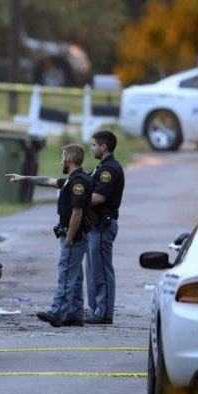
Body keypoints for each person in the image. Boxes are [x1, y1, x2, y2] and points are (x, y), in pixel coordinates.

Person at [7, 144, 92, 327]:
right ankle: (74, 314)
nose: (61, 160)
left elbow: (77, 213)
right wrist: (25, 178)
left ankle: (57, 312)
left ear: (69, 159)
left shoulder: (78, 182)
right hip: (73, 235)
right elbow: (48, 181)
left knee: (66, 274)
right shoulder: (72, 180)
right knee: (75, 277)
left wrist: (69, 237)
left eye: (62, 156)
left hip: (74, 237)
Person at [85, 130, 124, 325]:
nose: (91, 148)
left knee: (101, 270)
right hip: (95, 226)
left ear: (104, 147)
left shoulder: (109, 170)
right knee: (92, 270)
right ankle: (95, 309)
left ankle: (104, 312)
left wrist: (75, 200)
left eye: (94, 145)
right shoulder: (101, 167)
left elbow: (99, 197)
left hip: (102, 225)